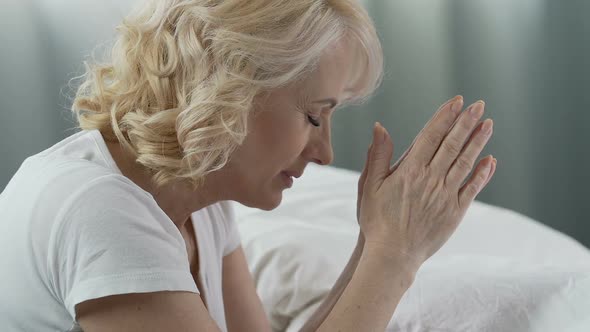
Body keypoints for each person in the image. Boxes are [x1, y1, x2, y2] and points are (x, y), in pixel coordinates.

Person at [0, 0, 497, 331]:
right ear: (227, 87)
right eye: (313, 116)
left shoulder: (198, 200)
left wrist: (375, 240)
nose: (325, 154)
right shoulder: (102, 210)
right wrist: (396, 258)